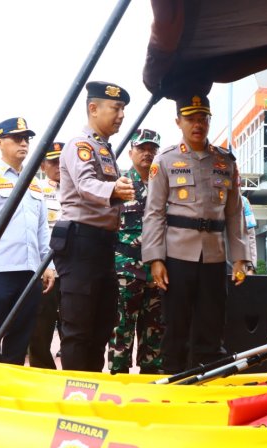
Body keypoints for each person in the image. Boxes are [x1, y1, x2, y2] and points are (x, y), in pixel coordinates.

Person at [143, 92, 252, 374]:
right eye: (191, 119)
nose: (198, 124)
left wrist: (241, 257)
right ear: (178, 121)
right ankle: (173, 381)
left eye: (203, 118)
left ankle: (209, 381)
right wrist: (155, 259)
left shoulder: (225, 161)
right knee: (175, 327)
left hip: (214, 257)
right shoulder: (165, 161)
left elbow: (234, 212)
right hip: (177, 256)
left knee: (212, 326)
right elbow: (154, 212)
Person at [54, 81, 135, 372]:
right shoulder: (81, 145)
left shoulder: (104, 148)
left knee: (101, 325)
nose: (121, 115)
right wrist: (115, 190)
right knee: (78, 327)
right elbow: (86, 185)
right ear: (93, 108)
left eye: (123, 109)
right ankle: (76, 395)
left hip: (102, 244)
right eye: (116, 108)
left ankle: (92, 386)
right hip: (81, 242)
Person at [0, 117, 54, 365]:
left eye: (26, 139)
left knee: (20, 337)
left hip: (29, 271)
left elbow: (41, 228)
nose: (23, 144)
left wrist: (47, 265)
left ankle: (9, 387)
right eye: (16, 139)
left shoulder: (35, 184)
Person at [108, 129, 164, 374]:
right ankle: (118, 377)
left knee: (154, 329)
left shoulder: (164, 184)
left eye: (152, 149)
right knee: (122, 328)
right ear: (131, 152)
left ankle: (151, 376)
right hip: (126, 269)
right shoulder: (119, 185)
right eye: (142, 148)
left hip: (156, 270)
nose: (147, 153)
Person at [28, 141, 63, 369]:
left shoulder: (81, 188)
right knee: (40, 329)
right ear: (43, 165)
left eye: (63, 161)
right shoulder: (36, 189)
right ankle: (43, 372)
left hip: (73, 268)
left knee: (73, 329)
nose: (59, 166)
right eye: (54, 162)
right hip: (46, 269)